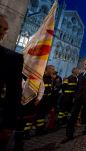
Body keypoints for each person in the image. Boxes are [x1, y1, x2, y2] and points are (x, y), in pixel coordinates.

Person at [0, 14, 24, 150]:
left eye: (5, 29)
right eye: (0, 27)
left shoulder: (12, 58)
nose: (2, 32)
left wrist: (8, 125)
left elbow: (14, 93)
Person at [66, 60, 86, 140]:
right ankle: (69, 134)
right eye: (85, 64)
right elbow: (77, 86)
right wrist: (75, 96)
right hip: (78, 98)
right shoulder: (80, 75)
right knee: (73, 114)